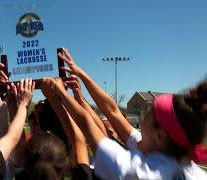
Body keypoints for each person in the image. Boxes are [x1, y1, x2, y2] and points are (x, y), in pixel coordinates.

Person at [47, 48, 207, 179]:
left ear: (160, 135)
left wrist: (60, 94)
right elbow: (113, 111)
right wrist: (82, 75)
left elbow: (87, 125)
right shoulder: (189, 168)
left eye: (147, 116)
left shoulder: (137, 172)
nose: (141, 122)